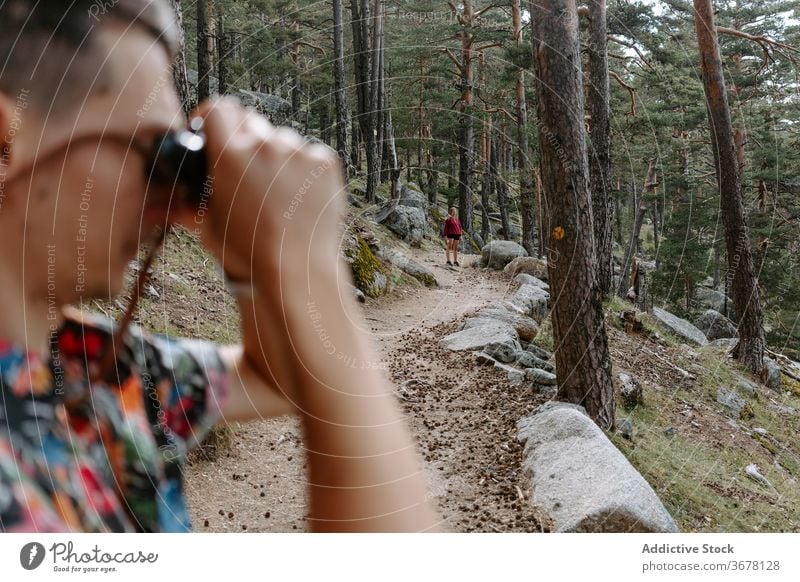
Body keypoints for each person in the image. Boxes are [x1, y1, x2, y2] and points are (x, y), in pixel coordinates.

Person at [0, 0, 439, 533]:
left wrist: (249, 262)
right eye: (154, 156)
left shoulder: (105, 370)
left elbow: (274, 380)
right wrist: (313, 270)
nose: (168, 202)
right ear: (6, 142)